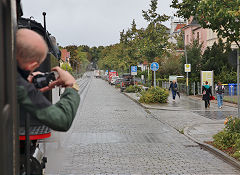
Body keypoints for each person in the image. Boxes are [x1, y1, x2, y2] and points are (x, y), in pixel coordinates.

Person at [16, 28, 80, 131]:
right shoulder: (18, 85)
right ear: (33, 65)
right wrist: (72, 86)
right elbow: (62, 120)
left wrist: (27, 80)